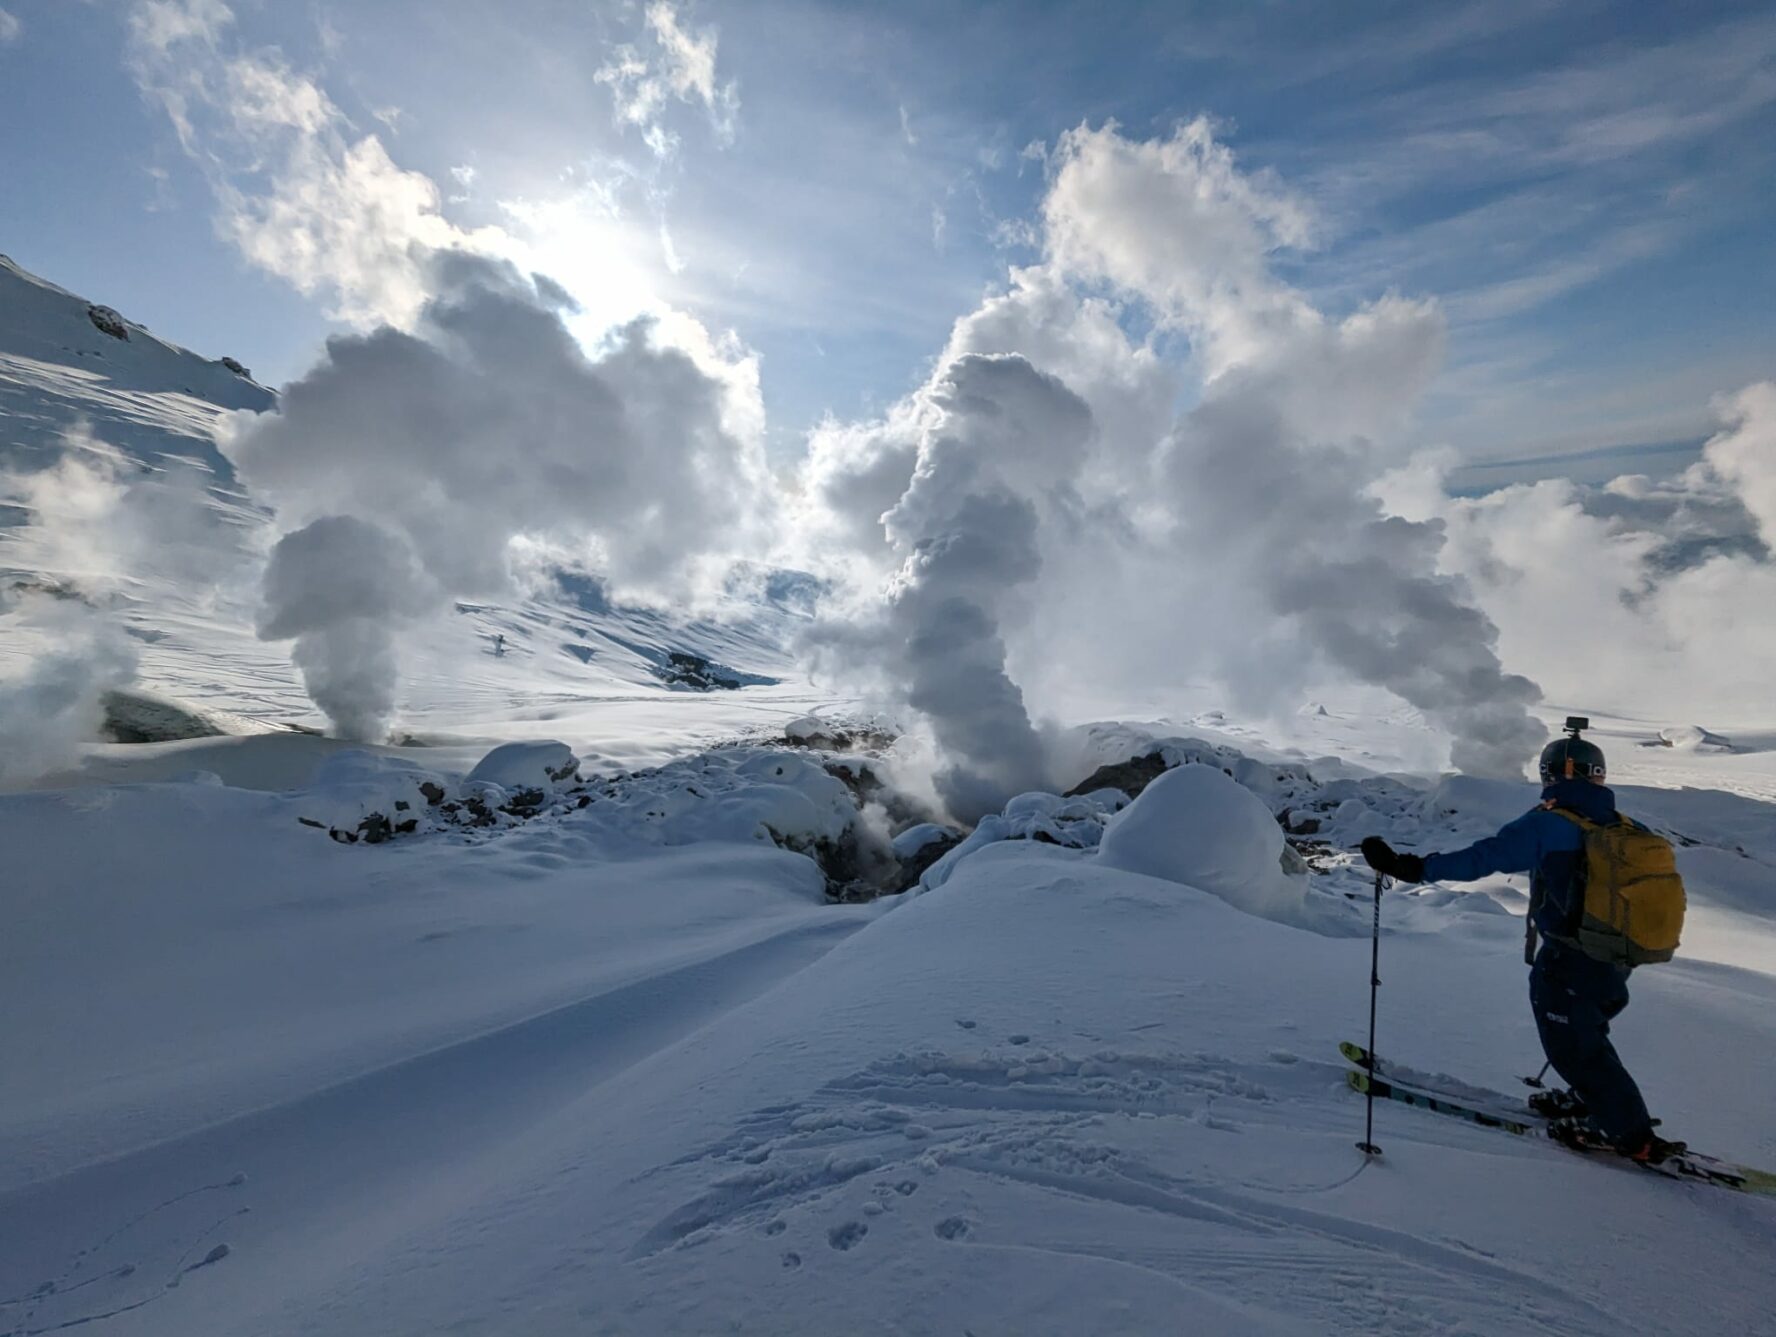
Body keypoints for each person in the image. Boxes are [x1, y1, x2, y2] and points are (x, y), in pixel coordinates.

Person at [1359, 729, 1684, 1164]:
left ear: (1549, 775)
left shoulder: (1549, 824)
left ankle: (1627, 1133)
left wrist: (1411, 868)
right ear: (1599, 776)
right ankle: (1592, 1100)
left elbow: (1483, 857)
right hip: (1617, 956)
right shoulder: (1624, 826)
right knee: (1586, 1031)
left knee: (1574, 1044)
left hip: (1572, 956)